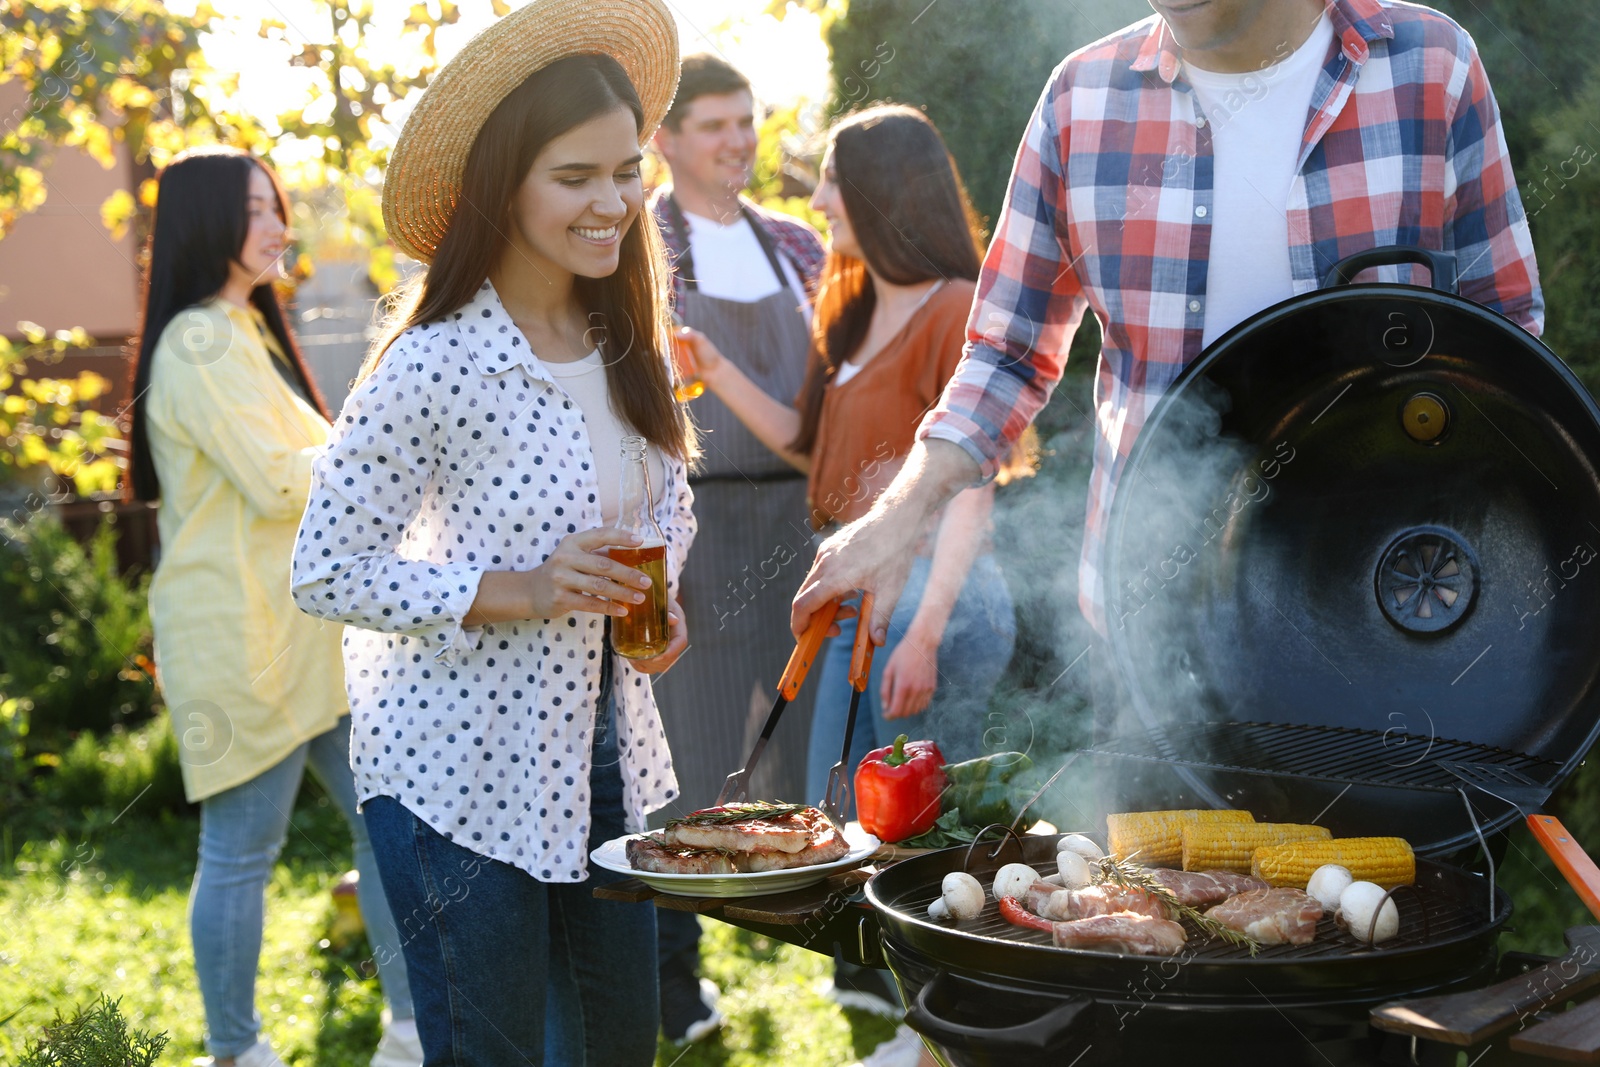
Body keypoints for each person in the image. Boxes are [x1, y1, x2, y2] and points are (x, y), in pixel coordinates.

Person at [789, 0, 1542, 725]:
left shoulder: (1429, 66)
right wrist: (900, 513)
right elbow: (1006, 356)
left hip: (1388, 621)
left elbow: (1507, 343)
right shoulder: (1080, 102)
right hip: (1150, 640)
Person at [290, 2, 694, 1064]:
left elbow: (667, 502)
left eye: (627, 170)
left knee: (618, 1048)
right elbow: (326, 567)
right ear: (499, 182)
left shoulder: (626, 338)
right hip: (452, 777)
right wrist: (519, 587)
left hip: (604, 754)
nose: (613, 202)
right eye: (576, 177)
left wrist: (654, 614)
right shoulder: (431, 363)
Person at [680, 104, 1030, 1062]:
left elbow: (969, 485)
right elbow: (804, 447)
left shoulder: (959, 304)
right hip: (847, 601)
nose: (818, 197)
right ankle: (922, 1022)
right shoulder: (851, 304)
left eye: (833, 178)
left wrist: (924, 632)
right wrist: (711, 369)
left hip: (927, 603)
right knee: (854, 822)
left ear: (884, 192)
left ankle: (950, 1038)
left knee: (927, 837)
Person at [124, 146, 418, 1067]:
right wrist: (397, 447)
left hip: (304, 636)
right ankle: (235, 1049)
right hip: (238, 637)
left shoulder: (240, 329)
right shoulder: (199, 339)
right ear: (207, 220)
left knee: (386, 821)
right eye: (256, 208)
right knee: (243, 850)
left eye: (277, 205)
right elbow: (277, 480)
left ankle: (409, 1029)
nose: (278, 224)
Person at [646, 52, 825, 1045]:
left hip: (802, 524)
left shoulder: (798, 244)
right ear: (663, 140)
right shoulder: (642, 248)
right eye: (712, 124)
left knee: (813, 747)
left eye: (746, 121)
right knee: (690, 758)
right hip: (700, 531)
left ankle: (849, 960)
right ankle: (677, 989)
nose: (736, 140)